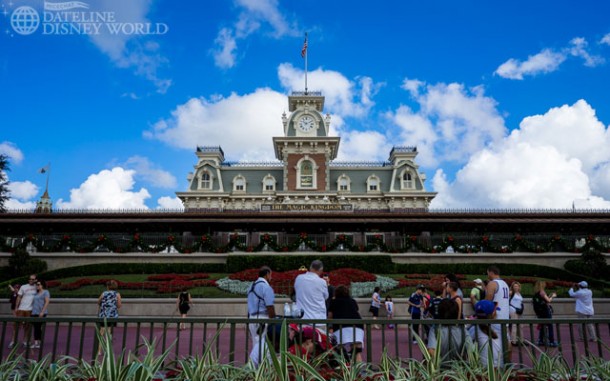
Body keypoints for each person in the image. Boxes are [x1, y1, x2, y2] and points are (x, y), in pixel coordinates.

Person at [426, 299, 473, 368]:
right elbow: (471, 350)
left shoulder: (435, 329)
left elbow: (431, 350)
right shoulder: (462, 330)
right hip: (459, 370)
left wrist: (438, 365)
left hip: (441, 370)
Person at [247, 265, 276, 367]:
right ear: (267, 274)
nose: (271, 277)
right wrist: (274, 319)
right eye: (270, 275)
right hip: (262, 319)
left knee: (256, 344)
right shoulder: (266, 287)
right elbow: (270, 306)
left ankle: (254, 368)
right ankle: (263, 368)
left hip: (252, 319)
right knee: (264, 344)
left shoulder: (251, 286)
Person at [328, 285, 365, 362]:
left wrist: (329, 327)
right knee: (357, 351)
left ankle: (342, 370)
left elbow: (330, 316)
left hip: (341, 327)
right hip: (357, 326)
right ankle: (359, 372)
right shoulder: (352, 301)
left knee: (339, 350)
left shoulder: (334, 302)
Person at [294, 260, 329, 329]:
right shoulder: (322, 282)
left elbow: (296, 291)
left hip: (302, 320)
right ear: (321, 270)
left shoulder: (299, 278)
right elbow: (326, 297)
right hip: (318, 321)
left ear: (310, 267)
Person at [469, 300, 503, 369]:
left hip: (482, 369)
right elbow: (509, 347)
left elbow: (468, 348)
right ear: (493, 313)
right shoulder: (501, 327)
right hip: (500, 368)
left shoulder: (474, 329)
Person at [9, 274, 37, 349]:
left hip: (30, 310)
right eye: (30, 279)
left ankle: (25, 341)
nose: (31, 280)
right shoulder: (24, 286)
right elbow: (19, 297)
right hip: (21, 309)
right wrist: (16, 307)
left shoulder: (37, 287)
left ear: (35, 280)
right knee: (16, 326)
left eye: (33, 279)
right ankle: (13, 341)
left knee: (27, 327)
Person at [98, 280, 122, 352]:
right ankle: (108, 350)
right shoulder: (117, 294)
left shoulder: (104, 293)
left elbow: (98, 301)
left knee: (101, 332)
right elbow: (119, 305)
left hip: (103, 315)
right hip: (112, 315)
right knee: (109, 332)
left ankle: (99, 350)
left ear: (108, 286)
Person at [532, 280, 557, 347]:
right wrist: (552, 296)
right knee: (550, 325)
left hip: (540, 312)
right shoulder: (542, 292)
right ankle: (551, 341)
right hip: (545, 312)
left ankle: (540, 340)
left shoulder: (536, 293)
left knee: (542, 326)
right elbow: (548, 300)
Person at [30, 280, 50, 349]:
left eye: (38, 284)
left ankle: (39, 341)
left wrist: (42, 312)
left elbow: (47, 302)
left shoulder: (45, 292)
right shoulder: (35, 293)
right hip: (34, 312)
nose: (37, 286)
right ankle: (36, 342)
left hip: (41, 312)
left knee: (38, 327)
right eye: (36, 285)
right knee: (36, 327)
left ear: (42, 285)